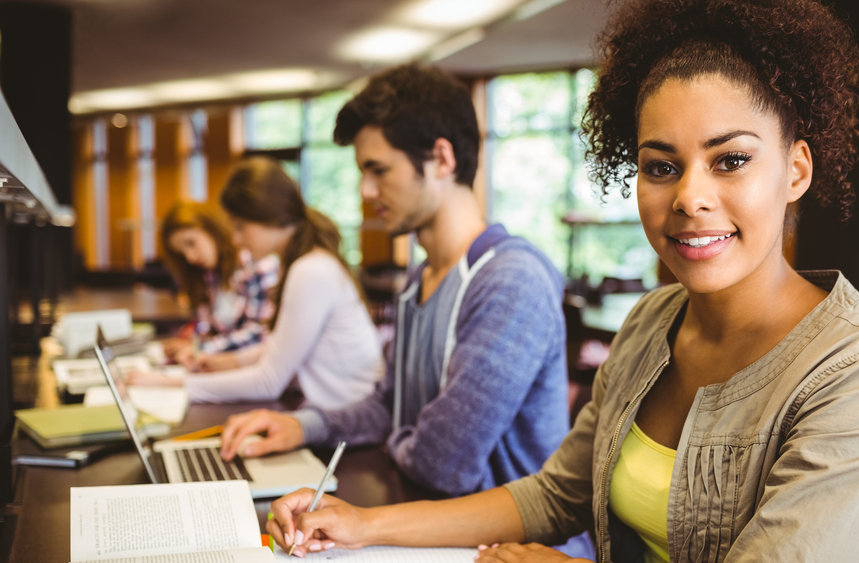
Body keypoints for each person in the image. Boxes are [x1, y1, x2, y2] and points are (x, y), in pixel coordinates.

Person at [263, 1, 859, 563]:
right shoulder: (650, 324)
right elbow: (554, 494)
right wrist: (362, 524)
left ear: (797, 170)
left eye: (730, 160)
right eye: (662, 166)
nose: (689, 197)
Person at [220, 63, 570, 498]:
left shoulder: (509, 282)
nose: (365, 191)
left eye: (378, 170)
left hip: (516, 554)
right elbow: (391, 408)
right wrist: (302, 426)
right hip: (437, 526)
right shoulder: (419, 280)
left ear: (441, 159)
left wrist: (401, 440)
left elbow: (442, 464)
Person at [133, 158, 383, 411]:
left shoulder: (310, 270)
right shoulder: (307, 262)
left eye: (240, 226)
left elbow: (268, 382)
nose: (236, 239)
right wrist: (228, 362)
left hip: (348, 423)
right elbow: (280, 347)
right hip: (333, 413)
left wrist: (174, 384)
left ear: (267, 215)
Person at [158, 200, 279, 369]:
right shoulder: (209, 277)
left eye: (191, 243)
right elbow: (215, 330)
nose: (190, 257)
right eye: (182, 253)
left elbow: (260, 335)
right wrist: (190, 344)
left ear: (211, 229)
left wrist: (201, 348)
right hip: (224, 372)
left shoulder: (257, 265)